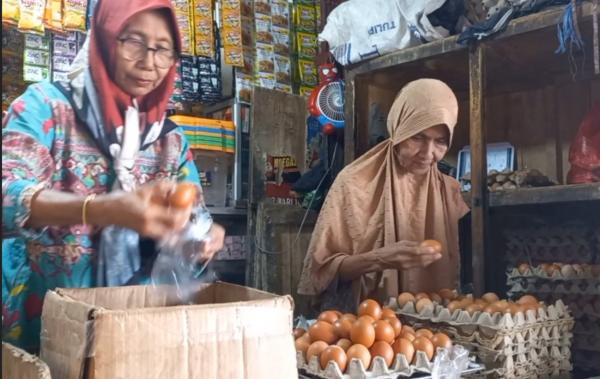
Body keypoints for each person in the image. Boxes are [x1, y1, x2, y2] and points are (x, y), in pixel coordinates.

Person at [2, 0, 225, 352]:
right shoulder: (45, 108)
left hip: (133, 337)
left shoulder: (170, 142)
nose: (149, 62)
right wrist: (100, 209)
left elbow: (195, 220)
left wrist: (201, 237)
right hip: (42, 331)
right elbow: (6, 194)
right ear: (104, 37)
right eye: (133, 41)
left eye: (163, 50)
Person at [297, 79, 470, 312]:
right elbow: (322, 273)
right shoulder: (354, 183)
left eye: (440, 141)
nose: (428, 153)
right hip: (367, 328)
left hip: (434, 326)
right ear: (399, 129)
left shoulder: (448, 192)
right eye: (417, 137)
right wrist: (380, 258)